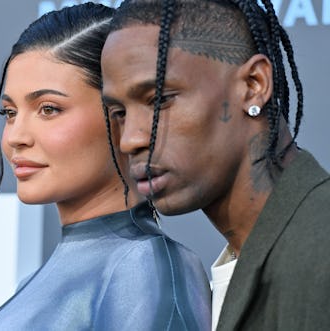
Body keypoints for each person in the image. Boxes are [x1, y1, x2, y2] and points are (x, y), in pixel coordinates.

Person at [0, 3, 211, 330]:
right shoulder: (37, 280)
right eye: (10, 113)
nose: (15, 136)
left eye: (48, 109)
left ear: (122, 115)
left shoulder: (144, 270)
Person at [100, 0, 330, 330]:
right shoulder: (244, 263)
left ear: (254, 85)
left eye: (159, 100)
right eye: (120, 113)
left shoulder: (320, 251)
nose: (130, 140)